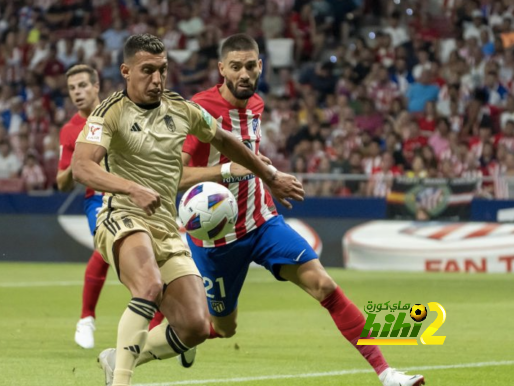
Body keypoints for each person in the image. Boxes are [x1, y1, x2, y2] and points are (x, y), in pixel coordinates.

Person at [179, 34, 425, 386]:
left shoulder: (256, 106)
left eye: (251, 65)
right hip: (218, 240)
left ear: (261, 65)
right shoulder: (199, 111)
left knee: (324, 285)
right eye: (236, 67)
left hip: (263, 223)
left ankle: (387, 374)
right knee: (223, 327)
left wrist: (269, 176)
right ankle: (187, 335)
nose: (245, 73)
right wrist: (226, 171)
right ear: (221, 69)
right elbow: (177, 175)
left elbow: (251, 161)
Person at [71, 34, 303, 386]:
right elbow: (82, 167)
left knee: (196, 326)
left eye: (162, 70)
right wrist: (131, 188)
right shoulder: (110, 112)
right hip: (122, 215)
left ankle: (117, 357)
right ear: (126, 71)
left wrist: (269, 175)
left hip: (166, 225)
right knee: (148, 286)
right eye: (147, 71)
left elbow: (227, 141)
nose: (157, 79)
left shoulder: (182, 109)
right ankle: (121, 380)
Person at [57, 64, 164, 349]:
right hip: (99, 198)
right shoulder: (69, 131)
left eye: (82, 85)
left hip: (136, 192)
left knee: (159, 253)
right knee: (108, 246)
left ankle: (160, 328)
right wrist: (75, 164)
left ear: (96, 86)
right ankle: (86, 318)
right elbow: (62, 183)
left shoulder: (118, 111)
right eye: (72, 88)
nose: (77, 92)